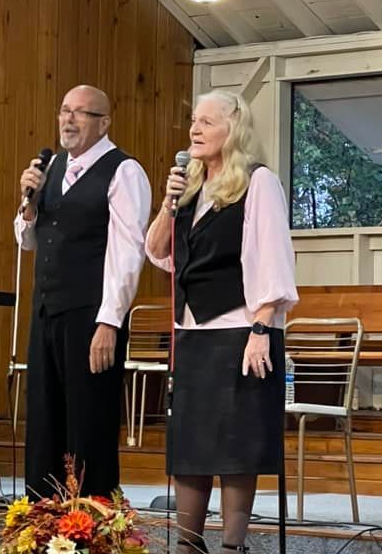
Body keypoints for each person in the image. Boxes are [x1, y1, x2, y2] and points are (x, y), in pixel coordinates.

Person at [146, 90, 298, 554]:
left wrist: (261, 329)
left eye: (207, 122)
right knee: (191, 445)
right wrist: (169, 203)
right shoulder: (188, 187)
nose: (195, 129)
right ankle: (189, 544)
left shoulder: (258, 182)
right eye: (194, 121)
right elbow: (158, 251)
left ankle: (233, 546)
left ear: (233, 129)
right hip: (193, 332)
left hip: (240, 329)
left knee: (235, 444)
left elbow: (273, 257)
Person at [15, 84, 152, 499]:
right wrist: (30, 205)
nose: (68, 120)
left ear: (104, 122)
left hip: (92, 317)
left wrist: (109, 320)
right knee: (45, 418)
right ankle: (42, 520)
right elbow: (28, 240)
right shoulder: (50, 166)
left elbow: (128, 252)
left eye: (80, 113)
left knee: (88, 420)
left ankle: (93, 521)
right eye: (64, 111)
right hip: (46, 311)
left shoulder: (124, 171)